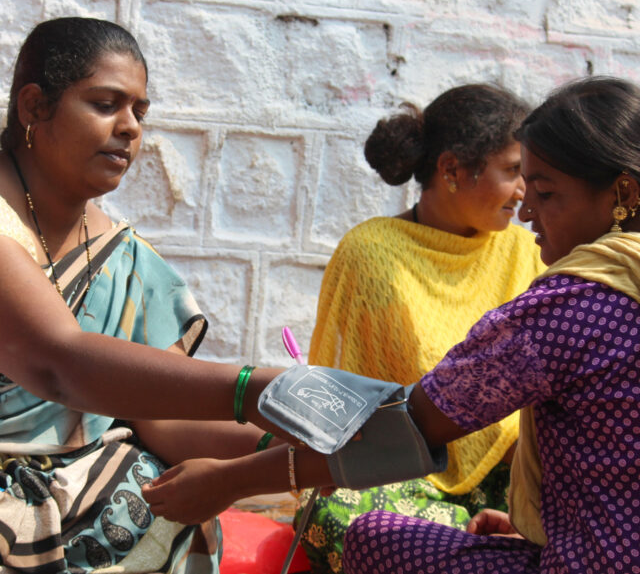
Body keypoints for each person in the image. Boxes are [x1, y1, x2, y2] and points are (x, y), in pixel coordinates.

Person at [143, 77, 640, 573]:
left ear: (624, 193)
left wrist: (229, 482)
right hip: (418, 471)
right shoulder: (375, 248)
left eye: (545, 192)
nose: (525, 209)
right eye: (520, 180)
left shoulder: (574, 301)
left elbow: (406, 428)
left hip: (473, 473)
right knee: (338, 506)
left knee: (376, 538)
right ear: (450, 171)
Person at [0, 17, 287, 574]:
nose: (131, 128)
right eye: (107, 104)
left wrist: (282, 441)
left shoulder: (122, 256)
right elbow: (62, 364)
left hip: (95, 502)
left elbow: (154, 412)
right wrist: (255, 388)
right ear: (34, 106)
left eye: (140, 111)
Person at [297, 85, 545, 572]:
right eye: (514, 171)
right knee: (328, 513)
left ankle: (473, 545)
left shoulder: (526, 252)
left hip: (514, 476)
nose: (525, 191)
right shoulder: (370, 252)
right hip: (396, 471)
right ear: (451, 169)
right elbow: (344, 395)